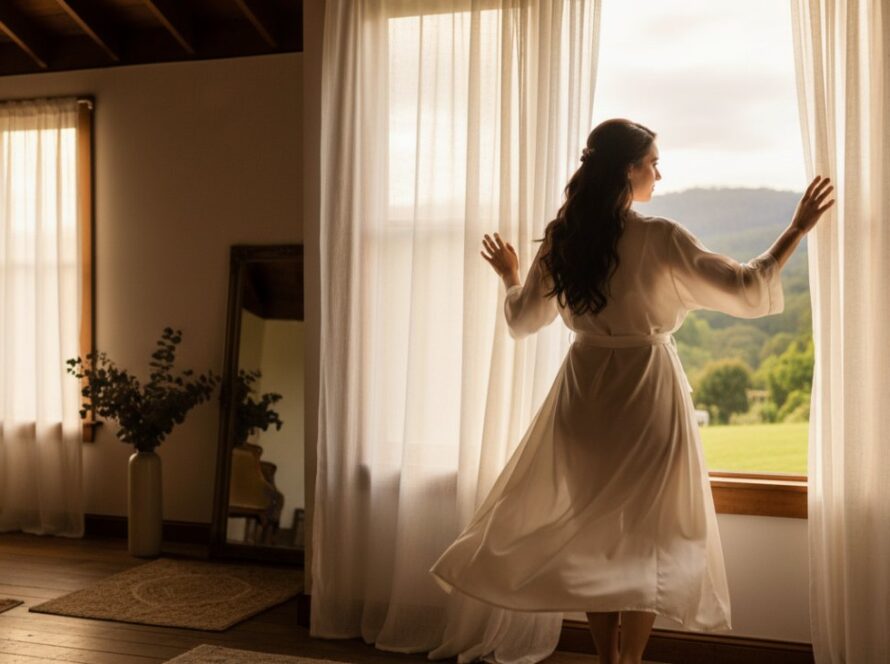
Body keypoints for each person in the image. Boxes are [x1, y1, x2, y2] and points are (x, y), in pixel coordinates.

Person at [429, 118, 834, 664]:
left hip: (585, 395)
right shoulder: (660, 236)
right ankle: (632, 661)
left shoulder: (563, 239)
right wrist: (797, 229)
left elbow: (524, 321)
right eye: (653, 163)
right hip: (646, 394)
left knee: (597, 538)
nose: (659, 174)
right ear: (628, 169)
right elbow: (743, 286)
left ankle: (607, 659)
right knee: (650, 538)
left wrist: (510, 275)